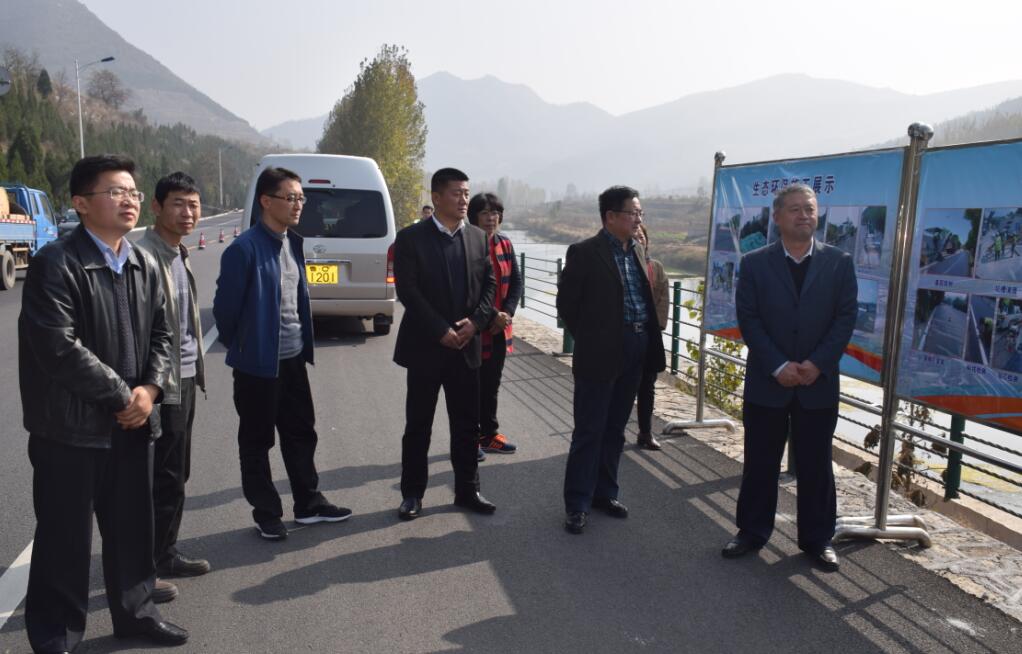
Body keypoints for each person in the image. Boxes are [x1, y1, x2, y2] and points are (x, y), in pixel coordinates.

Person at [19, 154, 187, 651]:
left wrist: (150, 391)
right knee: (64, 539)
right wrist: (123, 396)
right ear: (81, 203)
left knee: (133, 530)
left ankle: (137, 614)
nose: (129, 200)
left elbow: (164, 334)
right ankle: (57, 634)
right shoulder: (56, 263)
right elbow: (57, 346)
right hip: (70, 428)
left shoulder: (144, 262)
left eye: (132, 192)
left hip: (134, 422)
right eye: (115, 192)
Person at [721, 183, 856, 572]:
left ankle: (818, 538)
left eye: (809, 209)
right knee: (760, 461)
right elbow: (749, 318)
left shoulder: (839, 262)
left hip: (818, 382)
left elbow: (845, 318)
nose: (804, 215)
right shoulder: (755, 263)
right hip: (768, 382)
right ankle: (751, 531)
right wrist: (778, 366)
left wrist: (817, 363)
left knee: (816, 464)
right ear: (777, 217)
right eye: (795, 209)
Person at [213, 166, 351, 541]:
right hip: (257, 366)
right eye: (290, 197)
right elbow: (225, 312)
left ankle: (309, 504)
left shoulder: (293, 243)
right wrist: (245, 346)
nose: (298, 204)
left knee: (301, 433)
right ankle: (267, 512)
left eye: (301, 198)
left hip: (292, 360)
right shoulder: (244, 249)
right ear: (265, 201)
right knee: (257, 442)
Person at [556, 186, 665, 535]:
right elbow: (567, 306)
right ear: (611, 217)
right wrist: (593, 338)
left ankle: (605, 493)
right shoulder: (585, 252)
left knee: (616, 428)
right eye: (633, 213)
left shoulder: (637, 251)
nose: (638, 220)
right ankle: (577, 503)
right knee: (590, 430)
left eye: (640, 214)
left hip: (637, 345)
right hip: (600, 352)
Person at [392, 168, 497, 520]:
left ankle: (468, 490)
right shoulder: (411, 238)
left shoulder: (478, 238)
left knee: (467, 425)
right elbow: (408, 290)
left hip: (466, 347)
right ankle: (412, 494)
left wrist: (476, 322)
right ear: (436, 197)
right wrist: (439, 329)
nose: (464, 199)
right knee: (418, 425)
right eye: (456, 193)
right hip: (426, 347)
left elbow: (489, 285)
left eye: (466, 193)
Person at [135, 172, 210, 600]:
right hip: (159, 382)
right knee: (158, 474)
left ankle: (163, 553)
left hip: (183, 375)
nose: (188, 212)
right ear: (157, 207)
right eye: (178, 203)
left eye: (194, 205)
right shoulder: (144, 256)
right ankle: (144, 567)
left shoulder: (178, 253)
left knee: (175, 470)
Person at [467, 192, 522, 456]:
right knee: (471, 386)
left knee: (491, 385)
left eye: (496, 213)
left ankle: (489, 435)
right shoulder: (467, 245)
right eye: (485, 213)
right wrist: (492, 316)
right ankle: (469, 439)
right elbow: (468, 290)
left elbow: (516, 283)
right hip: (475, 328)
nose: (491, 218)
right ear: (474, 216)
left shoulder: (505, 244)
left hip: (500, 328)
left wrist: (506, 314)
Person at [634, 223, 669, 450]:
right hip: (626, 336)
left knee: (647, 386)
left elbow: (663, 299)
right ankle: (614, 431)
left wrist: (656, 327)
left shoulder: (656, 267)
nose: (639, 240)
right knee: (623, 386)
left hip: (649, 336)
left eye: (642, 237)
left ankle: (645, 432)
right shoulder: (621, 265)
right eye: (635, 237)